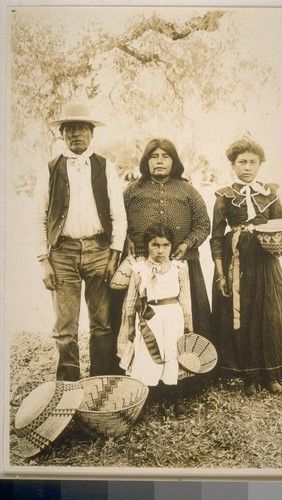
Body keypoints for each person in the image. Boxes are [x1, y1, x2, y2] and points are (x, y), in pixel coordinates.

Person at [33, 102, 127, 381]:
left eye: (82, 129)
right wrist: (43, 260)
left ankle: (100, 380)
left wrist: (114, 255)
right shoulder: (50, 169)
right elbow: (38, 217)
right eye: (70, 129)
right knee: (65, 327)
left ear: (91, 134)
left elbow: (118, 214)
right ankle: (68, 386)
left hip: (99, 250)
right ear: (62, 135)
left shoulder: (105, 167)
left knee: (102, 324)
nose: (76, 134)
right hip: (62, 253)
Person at [210, 137, 282, 396]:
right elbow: (216, 236)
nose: (247, 167)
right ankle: (248, 377)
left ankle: (272, 373)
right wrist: (220, 274)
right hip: (237, 260)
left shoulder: (270, 193)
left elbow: (278, 226)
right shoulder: (224, 196)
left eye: (253, 162)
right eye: (242, 162)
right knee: (244, 313)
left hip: (265, 260)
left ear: (260, 165)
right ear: (233, 165)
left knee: (270, 311)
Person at [123, 138, 212, 343]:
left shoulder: (187, 190)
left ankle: (191, 369)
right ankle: (138, 367)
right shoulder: (132, 190)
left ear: (175, 162)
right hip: (141, 264)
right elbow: (118, 220)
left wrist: (186, 244)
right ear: (146, 161)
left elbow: (203, 224)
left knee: (187, 311)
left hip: (183, 262)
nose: (159, 161)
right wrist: (127, 238)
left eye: (165, 156)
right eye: (154, 156)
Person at [119, 222, 193, 419]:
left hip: (172, 317)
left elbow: (185, 296)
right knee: (147, 356)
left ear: (171, 246)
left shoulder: (179, 268)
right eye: (155, 245)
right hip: (148, 319)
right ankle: (146, 400)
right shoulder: (139, 269)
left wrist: (188, 320)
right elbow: (131, 299)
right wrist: (129, 324)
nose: (161, 250)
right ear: (147, 246)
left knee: (172, 354)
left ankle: (177, 401)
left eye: (165, 245)